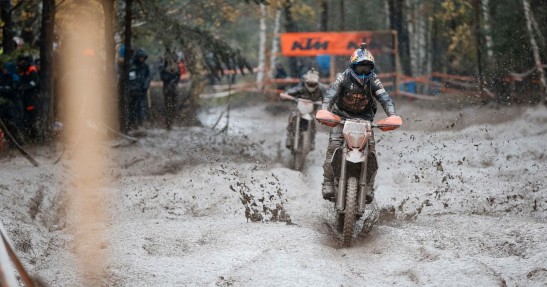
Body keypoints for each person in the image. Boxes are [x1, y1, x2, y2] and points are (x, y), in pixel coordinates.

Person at [319, 43, 398, 202]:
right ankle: (327, 182)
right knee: (334, 146)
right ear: (353, 66)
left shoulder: (374, 80)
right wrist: (325, 109)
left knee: (371, 152)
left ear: (372, 68)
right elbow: (331, 94)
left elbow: (385, 98)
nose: (363, 72)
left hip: (365, 120)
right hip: (341, 117)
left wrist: (392, 115)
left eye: (367, 68)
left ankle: (368, 186)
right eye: (360, 68)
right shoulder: (343, 77)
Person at [283, 68, 325, 150]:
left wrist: (326, 103)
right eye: (309, 83)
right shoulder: (301, 87)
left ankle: (312, 141)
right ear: (306, 81)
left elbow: (327, 98)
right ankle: (289, 136)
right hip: (300, 110)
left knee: (313, 122)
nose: (311, 85)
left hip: (311, 111)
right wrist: (286, 95)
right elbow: (291, 91)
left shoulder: (320, 89)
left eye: (313, 84)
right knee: (292, 116)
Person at [17, 56, 40, 142]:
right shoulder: (22, 70)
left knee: (33, 117)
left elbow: (35, 81)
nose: (21, 63)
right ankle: (29, 136)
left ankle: (36, 136)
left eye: (23, 61)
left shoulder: (31, 69)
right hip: (25, 95)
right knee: (25, 116)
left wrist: (26, 86)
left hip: (32, 94)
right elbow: (21, 80)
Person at [128, 48, 151, 130]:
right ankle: (132, 125)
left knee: (142, 107)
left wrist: (145, 85)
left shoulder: (145, 67)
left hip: (143, 91)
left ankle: (140, 124)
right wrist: (135, 88)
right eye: (141, 57)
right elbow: (131, 78)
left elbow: (148, 77)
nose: (142, 59)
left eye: (143, 57)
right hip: (134, 91)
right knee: (133, 108)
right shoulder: (132, 66)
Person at [160, 52, 180, 130]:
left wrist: (173, 75)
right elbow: (163, 77)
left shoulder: (176, 68)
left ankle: (171, 122)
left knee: (174, 107)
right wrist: (171, 75)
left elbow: (178, 78)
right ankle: (168, 123)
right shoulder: (163, 67)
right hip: (167, 89)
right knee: (167, 107)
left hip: (174, 89)